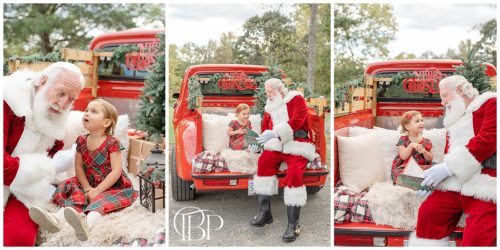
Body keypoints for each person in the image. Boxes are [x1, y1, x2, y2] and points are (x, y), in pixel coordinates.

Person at [28, 99, 138, 241]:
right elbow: (78, 166)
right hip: (86, 180)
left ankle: (86, 224)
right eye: (86, 110)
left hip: (110, 184)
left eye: (93, 111)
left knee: (101, 201)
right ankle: (55, 219)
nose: (87, 113)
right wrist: (86, 187)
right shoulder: (81, 140)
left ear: (106, 123)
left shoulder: (112, 143)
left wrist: (97, 190)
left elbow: (116, 171)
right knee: (75, 192)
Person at [409, 75, 496, 246]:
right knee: (428, 214)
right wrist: (433, 180)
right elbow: (450, 154)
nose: (442, 102)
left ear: (459, 90)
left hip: (485, 183)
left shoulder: (492, 103)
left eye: (444, 96)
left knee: (478, 238)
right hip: (455, 184)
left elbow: (489, 140)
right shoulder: (455, 118)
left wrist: (447, 168)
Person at [3, 62, 84, 246]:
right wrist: (51, 167)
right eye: (60, 93)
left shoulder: (52, 111)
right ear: (43, 81)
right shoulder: (8, 99)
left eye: (71, 99)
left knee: (19, 237)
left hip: (24, 190)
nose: (64, 104)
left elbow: (54, 146)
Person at [248, 78, 316, 243]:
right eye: (267, 92)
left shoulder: (295, 98)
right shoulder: (270, 106)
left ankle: (293, 224)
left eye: (270, 91)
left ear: (280, 89)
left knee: (293, 173)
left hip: (296, 143)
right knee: (263, 163)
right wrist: (259, 143)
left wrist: (275, 132)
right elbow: (265, 127)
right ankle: (265, 213)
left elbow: (298, 120)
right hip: (277, 145)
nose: (268, 95)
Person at [391, 110, 433, 184]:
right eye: (417, 121)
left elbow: (430, 158)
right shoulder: (403, 140)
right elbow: (403, 156)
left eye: (421, 120)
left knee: (434, 170)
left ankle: (420, 182)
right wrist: (411, 145)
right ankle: (415, 182)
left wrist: (424, 151)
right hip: (406, 167)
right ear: (407, 126)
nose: (421, 123)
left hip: (421, 166)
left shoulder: (426, 141)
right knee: (399, 173)